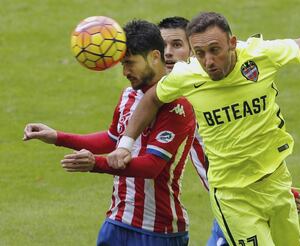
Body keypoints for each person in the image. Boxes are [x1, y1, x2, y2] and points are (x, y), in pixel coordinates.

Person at [107, 12, 300, 245]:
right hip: (234, 196)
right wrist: (125, 145)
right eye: (200, 53)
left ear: (233, 43)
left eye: (215, 50)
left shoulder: (260, 56)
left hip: (276, 183)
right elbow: (151, 99)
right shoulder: (187, 75)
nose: (209, 61)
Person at [24, 19, 195, 245]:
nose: (124, 71)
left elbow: (152, 166)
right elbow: (113, 139)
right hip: (117, 221)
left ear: (155, 57)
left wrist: (95, 164)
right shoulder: (129, 95)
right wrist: (57, 136)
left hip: (157, 230)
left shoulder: (178, 105)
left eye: (130, 63)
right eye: (122, 64)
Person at [158, 16, 300, 246]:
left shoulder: (197, 89)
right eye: (163, 47)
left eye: (176, 45)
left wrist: (272, 187)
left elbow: (243, 141)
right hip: (230, 198)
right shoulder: (178, 90)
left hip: (252, 190)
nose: (168, 53)